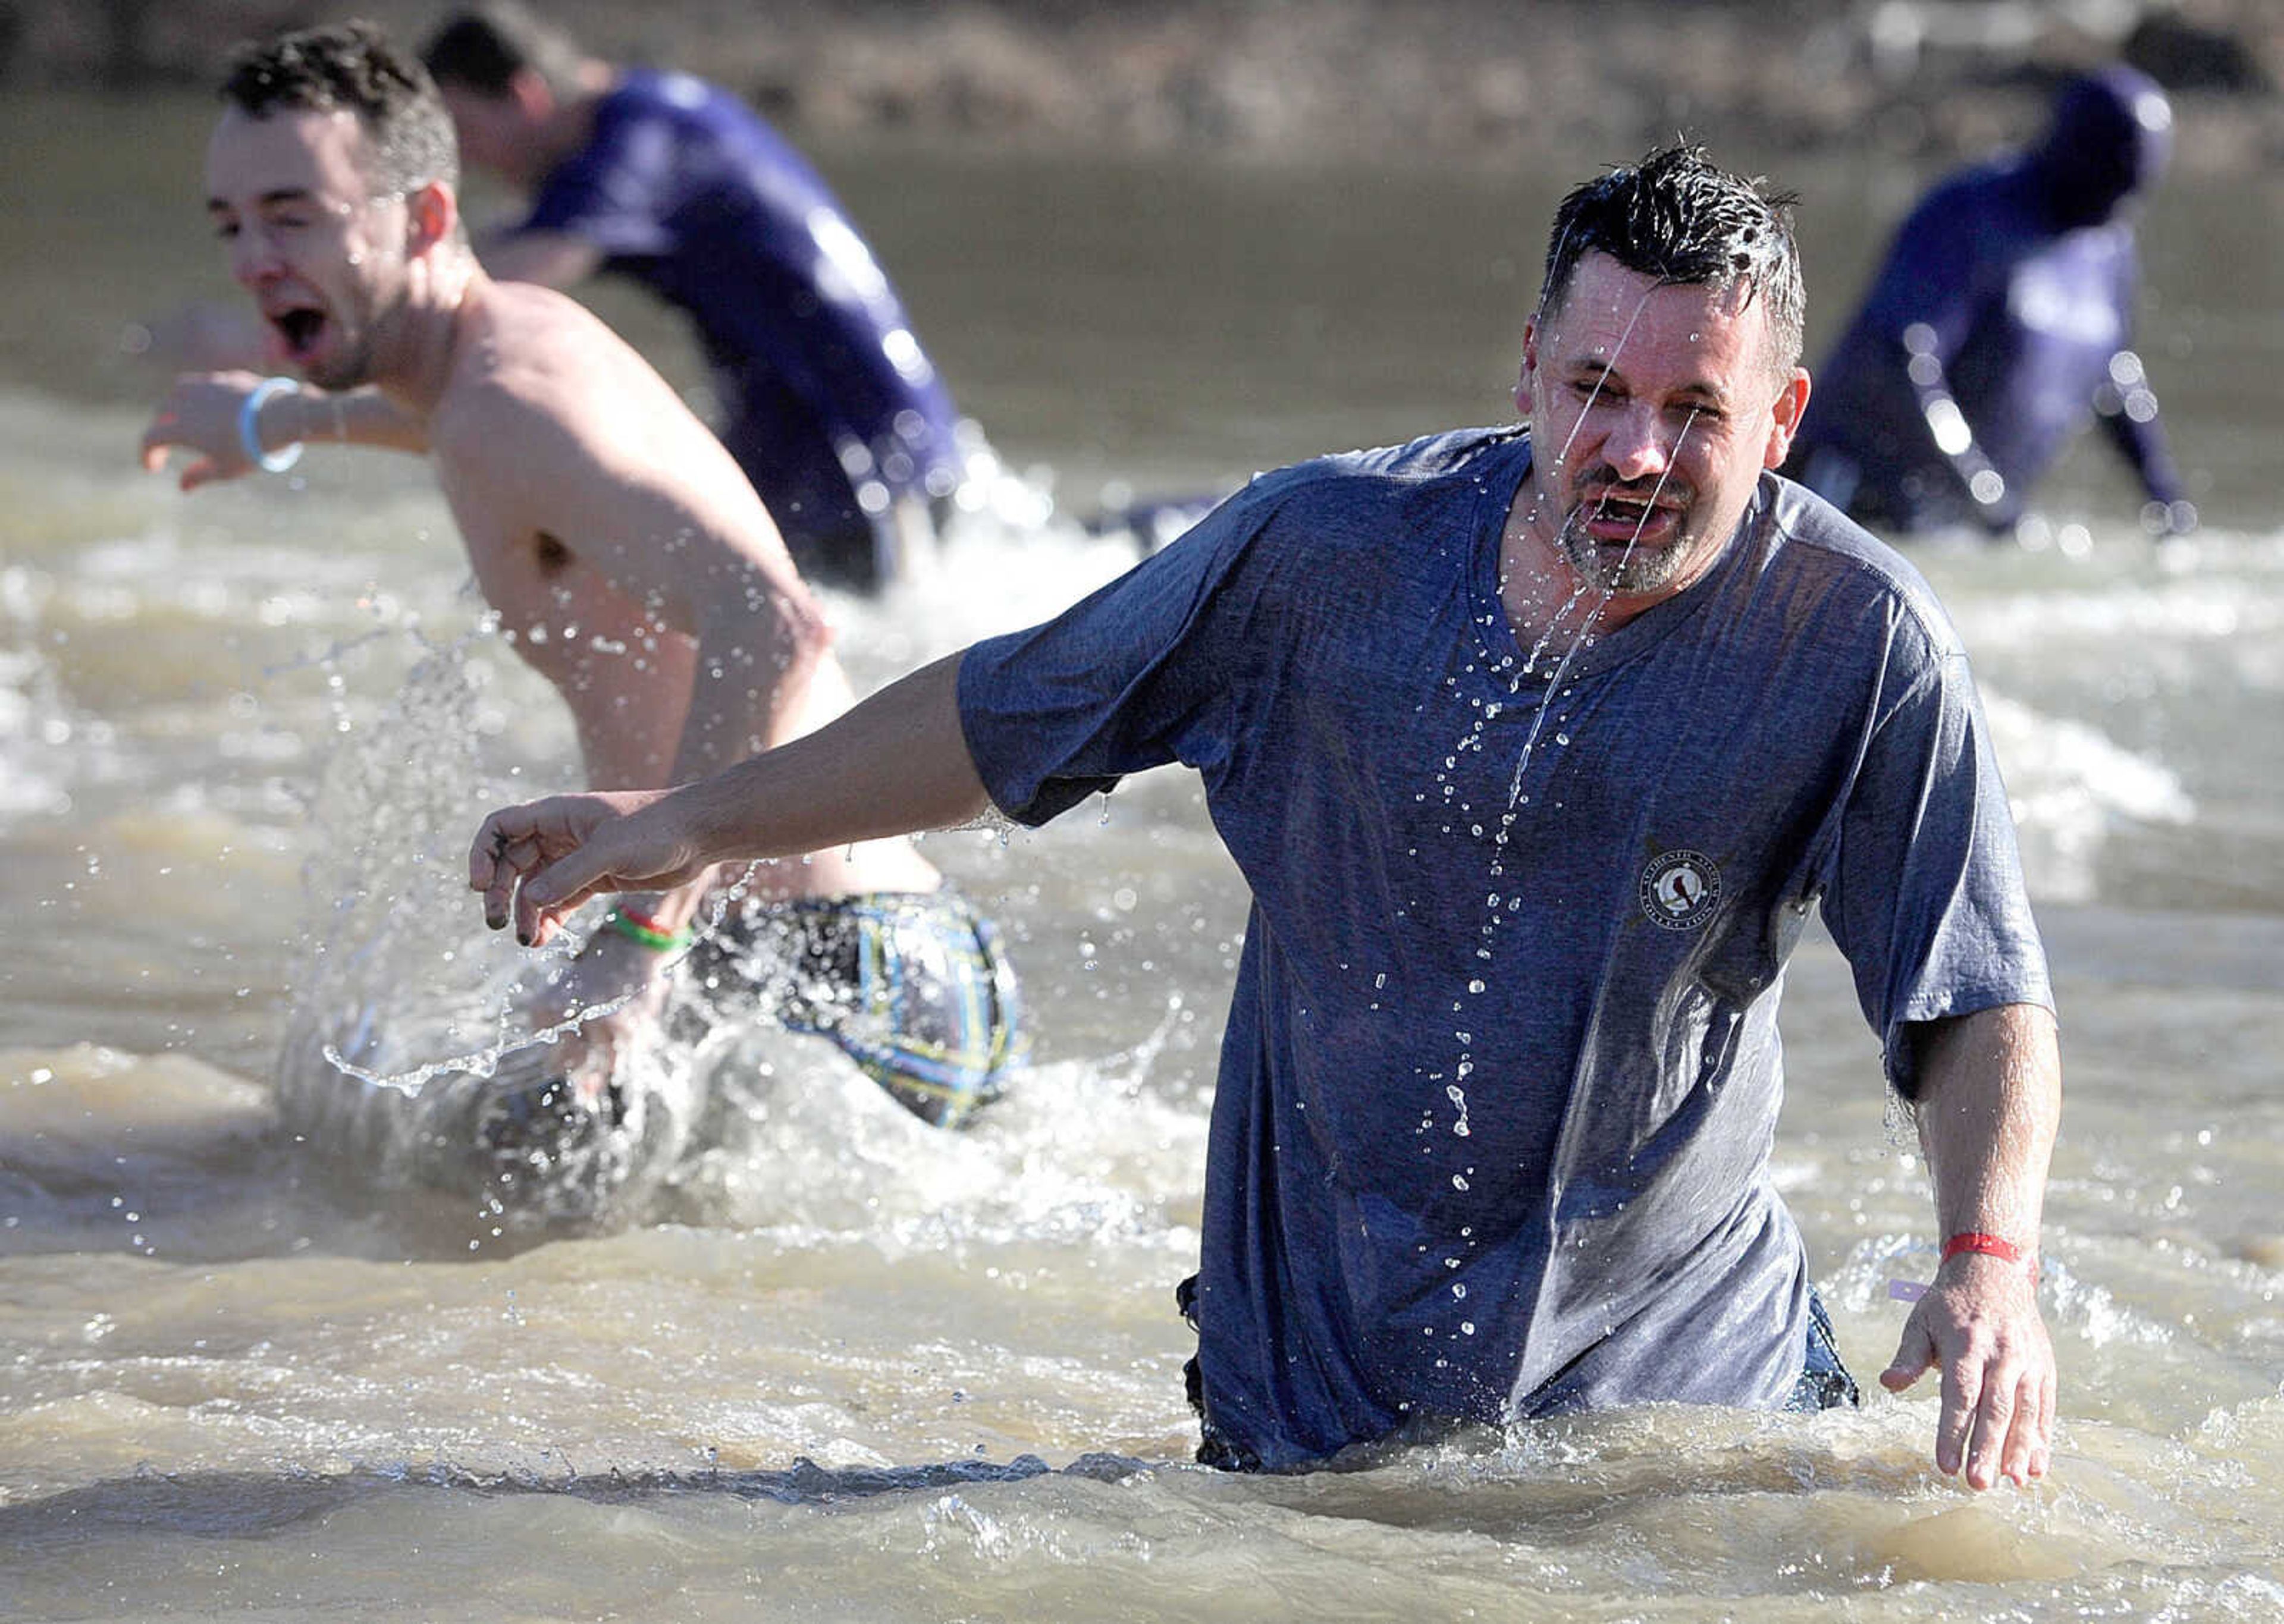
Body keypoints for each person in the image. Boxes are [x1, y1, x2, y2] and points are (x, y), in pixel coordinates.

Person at [468, 145, 2061, 1490]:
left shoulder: (1854, 642)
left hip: (1668, 1425)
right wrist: (695, 820)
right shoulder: (1322, 560)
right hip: (1309, 1424)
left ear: (1779, 421)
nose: (1635, 450)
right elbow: (1007, 712)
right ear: (1526, 370)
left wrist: (1988, 1267)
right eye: (1595, 389)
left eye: (1696, 410)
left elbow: (1977, 985)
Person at [140, 23, 1022, 1179]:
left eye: (294, 213)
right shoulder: (485, 375)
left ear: (426, 219)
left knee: (355, 1216)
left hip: (812, 980)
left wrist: (640, 938)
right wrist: (273, 419)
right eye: (233, 225)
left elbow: (776, 622)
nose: (253, 257)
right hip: (869, 962)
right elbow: (454, 429)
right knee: (364, 1191)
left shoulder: (514, 392)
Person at [418, 2, 974, 592]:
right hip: (807, 450)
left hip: (864, 466)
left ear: (526, 96)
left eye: (469, 131)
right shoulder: (642, 121)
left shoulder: (639, 139)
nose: (470, 157)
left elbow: (525, 264)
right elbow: (499, 246)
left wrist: (380, 314)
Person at [1784, 65, 2195, 541]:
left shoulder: (2110, 243)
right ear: (2066, 147)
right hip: (1848, 498)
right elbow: (1901, 356)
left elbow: (2113, 371)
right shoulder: (1970, 216)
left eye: (2131, 188)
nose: (2116, 203)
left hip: (1964, 526)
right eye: (2110, 177)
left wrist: (2165, 497)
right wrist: (1983, 493)